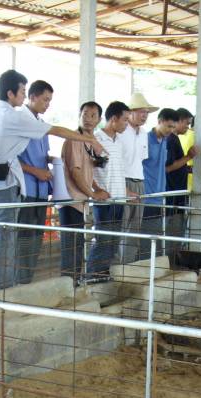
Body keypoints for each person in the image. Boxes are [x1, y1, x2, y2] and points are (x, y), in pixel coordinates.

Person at [0, 69, 102, 292]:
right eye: (23, 91)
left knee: (17, 239)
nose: (25, 96)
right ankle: (1, 291)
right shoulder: (15, 117)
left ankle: (14, 288)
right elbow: (56, 131)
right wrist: (88, 139)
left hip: (12, 185)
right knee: (10, 241)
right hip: (14, 186)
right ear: (11, 93)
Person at [61, 101, 109, 284]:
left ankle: (74, 283)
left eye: (93, 115)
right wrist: (93, 193)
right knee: (72, 246)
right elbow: (75, 171)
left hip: (80, 200)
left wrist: (96, 188)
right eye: (85, 114)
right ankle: (69, 286)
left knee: (78, 244)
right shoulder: (74, 139)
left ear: (99, 120)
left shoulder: (90, 142)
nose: (88, 119)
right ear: (79, 116)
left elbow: (87, 171)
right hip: (71, 199)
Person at [85, 101, 130, 280]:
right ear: (114, 119)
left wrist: (126, 191)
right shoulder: (95, 139)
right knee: (103, 240)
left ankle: (103, 275)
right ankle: (91, 276)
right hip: (104, 200)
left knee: (113, 241)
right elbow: (88, 169)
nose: (126, 124)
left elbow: (118, 170)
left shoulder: (119, 142)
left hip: (119, 198)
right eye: (125, 120)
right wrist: (96, 190)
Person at [17, 80, 54, 285]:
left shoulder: (41, 124)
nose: (47, 104)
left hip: (41, 190)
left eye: (49, 100)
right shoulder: (19, 121)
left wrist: (53, 162)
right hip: (26, 189)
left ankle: (27, 280)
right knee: (23, 238)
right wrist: (35, 171)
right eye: (45, 99)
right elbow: (10, 159)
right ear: (32, 97)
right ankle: (19, 281)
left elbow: (43, 155)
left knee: (36, 239)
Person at [119, 92, 158, 263]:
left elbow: (142, 159)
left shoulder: (143, 133)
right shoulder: (120, 131)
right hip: (123, 180)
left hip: (139, 180)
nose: (145, 115)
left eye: (147, 112)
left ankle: (128, 263)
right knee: (121, 225)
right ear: (131, 112)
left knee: (135, 227)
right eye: (142, 111)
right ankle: (117, 264)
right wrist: (122, 187)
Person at [141, 108, 178, 255]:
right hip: (146, 195)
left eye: (173, 127)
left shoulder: (165, 140)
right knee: (145, 237)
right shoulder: (145, 139)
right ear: (159, 121)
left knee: (154, 235)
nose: (171, 130)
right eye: (169, 126)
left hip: (159, 195)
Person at [165, 108, 196, 263]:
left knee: (177, 225)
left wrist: (186, 165)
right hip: (172, 190)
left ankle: (174, 256)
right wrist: (188, 157)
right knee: (173, 225)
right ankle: (171, 258)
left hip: (177, 190)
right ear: (178, 122)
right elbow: (169, 167)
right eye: (186, 123)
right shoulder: (171, 140)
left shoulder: (174, 139)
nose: (188, 127)